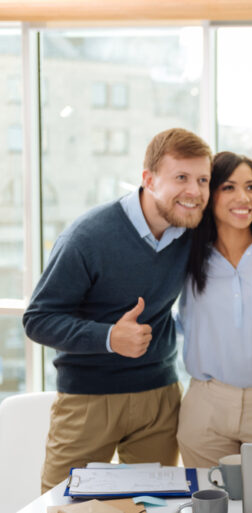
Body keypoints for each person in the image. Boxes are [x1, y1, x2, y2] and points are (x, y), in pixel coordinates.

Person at [23, 128, 212, 491]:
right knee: (62, 505)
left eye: (202, 180)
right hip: (88, 401)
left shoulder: (193, 232)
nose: (194, 191)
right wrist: (109, 337)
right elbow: (38, 320)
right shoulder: (87, 237)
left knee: (153, 506)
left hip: (160, 397)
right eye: (181, 178)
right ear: (148, 180)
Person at [176, 151, 252, 467]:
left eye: (251, 187)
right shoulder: (188, 257)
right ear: (209, 194)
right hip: (205, 406)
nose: (243, 197)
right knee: (208, 496)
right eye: (229, 187)